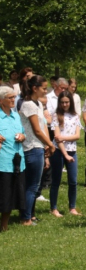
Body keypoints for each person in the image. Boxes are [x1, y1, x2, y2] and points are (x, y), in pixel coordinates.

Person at [19, 75, 55, 225]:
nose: (46, 91)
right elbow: (36, 130)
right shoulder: (28, 105)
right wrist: (51, 145)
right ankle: (26, 218)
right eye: (44, 88)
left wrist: (47, 144)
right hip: (31, 147)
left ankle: (31, 215)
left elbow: (44, 127)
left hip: (39, 146)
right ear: (34, 88)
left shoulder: (38, 105)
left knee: (35, 184)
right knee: (32, 185)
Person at [49, 91, 81, 217]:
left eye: (67, 102)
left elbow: (78, 136)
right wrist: (65, 154)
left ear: (71, 102)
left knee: (73, 181)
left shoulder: (75, 116)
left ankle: (72, 207)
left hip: (72, 151)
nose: (64, 104)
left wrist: (63, 138)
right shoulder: (56, 115)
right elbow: (57, 138)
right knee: (56, 180)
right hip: (58, 152)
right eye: (62, 102)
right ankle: (54, 208)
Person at [0, 86, 26, 231]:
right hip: (2, 161)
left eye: (14, 97)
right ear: (1, 100)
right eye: (10, 98)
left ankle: (4, 225)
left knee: (10, 194)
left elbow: (23, 133)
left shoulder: (16, 115)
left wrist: (22, 137)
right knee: (2, 193)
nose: (13, 100)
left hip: (16, 161)